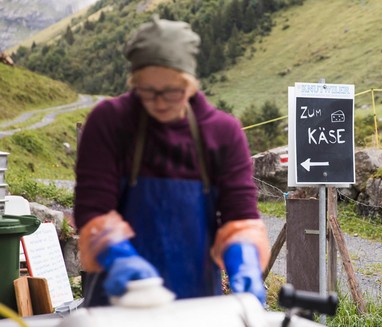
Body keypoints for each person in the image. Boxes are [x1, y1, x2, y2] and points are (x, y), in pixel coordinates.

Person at [74, 16, 270, 307]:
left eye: (172, 91)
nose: (161, 101)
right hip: (118, 300)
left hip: (197, 300)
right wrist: (118, 256)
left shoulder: (222, 132)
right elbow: (92, 208)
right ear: (134, 82)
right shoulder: (109, 123)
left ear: (191, 84)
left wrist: (244, 263)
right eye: (148, 91)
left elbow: (238, 216)